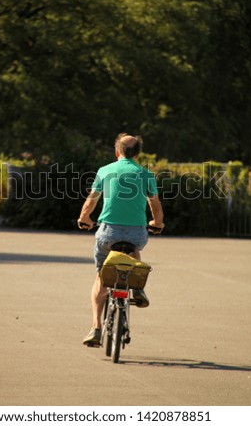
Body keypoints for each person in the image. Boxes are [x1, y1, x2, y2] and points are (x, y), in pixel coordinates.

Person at [77, 133, 164, 346]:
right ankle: (137, 287)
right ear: (137, 153)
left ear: (117, 152)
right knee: (134, 248)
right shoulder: (145, 174)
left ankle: (96, 328)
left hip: (109, 233)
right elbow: (155, 204)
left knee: (101, 278)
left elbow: (91, 200)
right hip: (136, 234)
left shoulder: (105, 171)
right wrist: (157, 223)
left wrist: (84, 218)